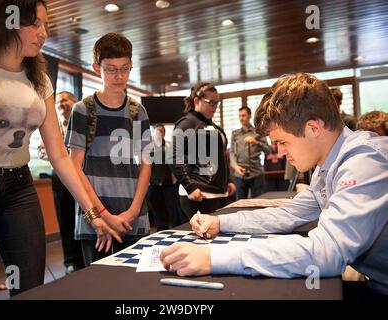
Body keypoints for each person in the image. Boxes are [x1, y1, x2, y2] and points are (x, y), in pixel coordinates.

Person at [0, 0, 119, 299]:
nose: (43, 32)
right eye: (35, 23)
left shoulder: (40, 80)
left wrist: (92, 213)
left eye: (46, 25)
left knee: (29, 285)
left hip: (16, 188)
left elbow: (59, 155)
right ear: (8, 20)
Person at [160, 73, 388, 298]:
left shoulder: (365, 163)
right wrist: (221, 221)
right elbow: (289, 214)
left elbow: (326, 252)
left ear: (313, 129)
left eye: (282, 141)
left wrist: (214, 257)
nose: (279, 151)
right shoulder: (330, 164)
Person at [65, 33, 152, 266]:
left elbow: (146, 164)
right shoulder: (83, 110)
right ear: (97, 68)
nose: (119, 76)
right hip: (95, 221)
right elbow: (74, 168)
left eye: (125, 68)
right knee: (99, 288)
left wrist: (132, 212)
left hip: (133, 218)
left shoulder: (138, 111)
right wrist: (103, 214)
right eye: (111, 69)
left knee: (136, 289)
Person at [170, 82, 236, 220]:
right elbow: (174, 157)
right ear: (196, 101)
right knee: (202, 239)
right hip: (198, 194)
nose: (215, 107)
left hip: (220, 193)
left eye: (217, 103)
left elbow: (222, 157)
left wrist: (228, 180)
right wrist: (190, 187)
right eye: (211, 102)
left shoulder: (214, 127)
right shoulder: (187, 123)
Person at [38, 91, 85, 274]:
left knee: (84, 217)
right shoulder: (53, 126)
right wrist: (58, 155)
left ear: (74, 101)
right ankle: (71, 262)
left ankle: (86, 257)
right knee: (65, 219)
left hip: (83, 175)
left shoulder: (84, 122)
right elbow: (42, 151)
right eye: (58, 102)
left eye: (64, 100)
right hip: (60, 178)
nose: (60, 104)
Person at [147, 123, 186, 230]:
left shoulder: (169, 146)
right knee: (158, 210)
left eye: (161, 131)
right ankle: (161, 229)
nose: (159, 133)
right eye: (157, 131)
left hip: (168, 184)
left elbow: (176, 162)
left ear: (164, 133)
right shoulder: (149, 148)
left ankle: (176, 229)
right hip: (154, 184)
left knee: (172, 209)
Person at [230, 106, 271, 199]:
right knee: (240, 204)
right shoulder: (235, 133)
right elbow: (232, 152)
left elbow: (268, 151)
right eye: (239, 116)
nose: (241, 118)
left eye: (243, 115)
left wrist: (256, 142)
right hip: (240, 174)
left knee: (258, 203)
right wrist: (235, 166)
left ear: (249, 116)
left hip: (256, 174)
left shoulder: (258, 131)